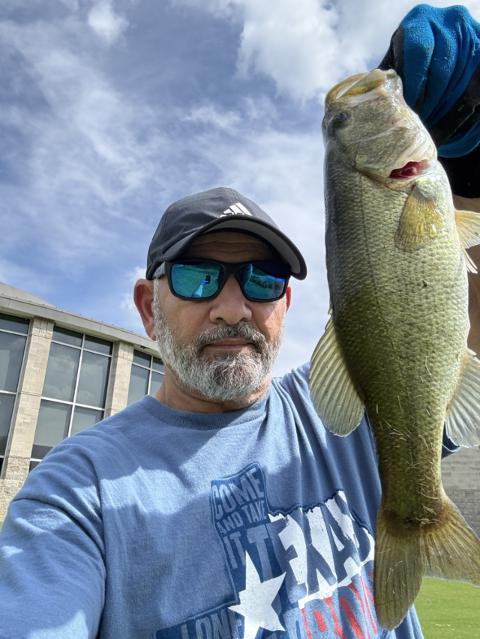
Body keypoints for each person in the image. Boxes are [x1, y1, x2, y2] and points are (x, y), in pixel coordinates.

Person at [1, 5, 480, 639]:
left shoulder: (348, 417)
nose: (233, 308)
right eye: (199, 277)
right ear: (147, 308)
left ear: (286, 306)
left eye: (262, 279)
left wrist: (471, 169)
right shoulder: (74, 493)